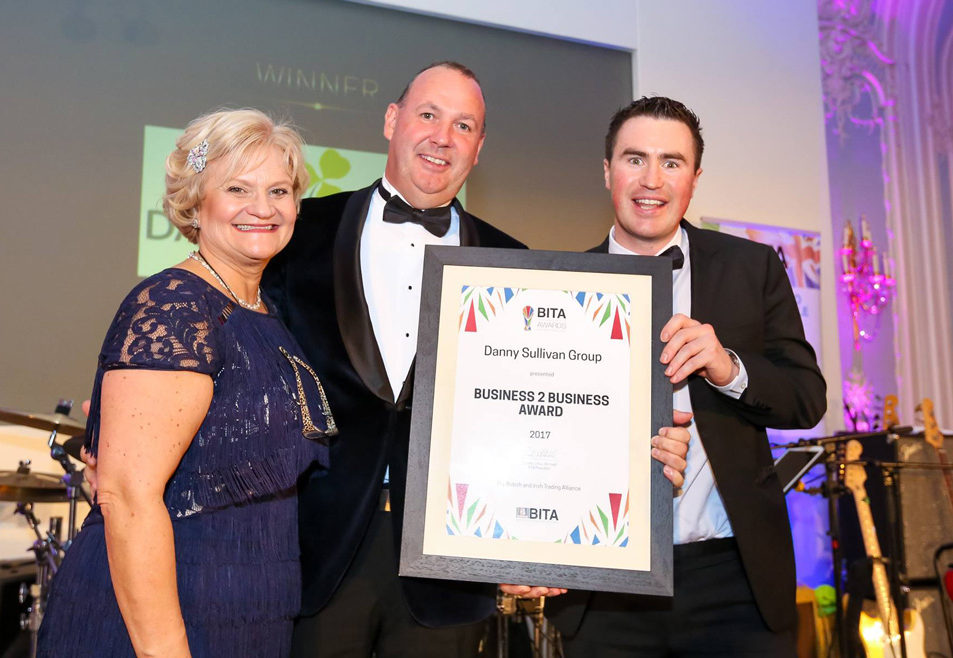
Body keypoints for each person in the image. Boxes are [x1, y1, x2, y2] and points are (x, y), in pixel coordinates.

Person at [261, 62, 691, 657]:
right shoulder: (297, 230)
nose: (443, 137)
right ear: (391, 120)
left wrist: (536, 541)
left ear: (479, 147)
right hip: (316, 553)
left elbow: (544, 407)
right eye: (428, 115)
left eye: (463, 125)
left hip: (451, 569)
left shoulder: (513, 260)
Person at [37, 109, 331, 657]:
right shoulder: (177, 306)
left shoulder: (261, 309)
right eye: (237, 188)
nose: (263, 207)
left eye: (279, 190)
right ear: (195, 203)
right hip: (163, 620)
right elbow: (128, 497)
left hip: (246, 615)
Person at [546, 96, 828, 656]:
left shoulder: (752, 268)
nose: (651, 179)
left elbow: (806, 398)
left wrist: (729, 368)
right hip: (604, 584)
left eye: (671, 162)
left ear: (695, 178)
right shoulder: (561, 286)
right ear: (607, 171)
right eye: (634, 159)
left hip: (735, 580)